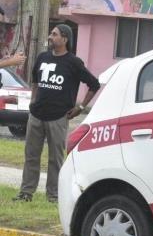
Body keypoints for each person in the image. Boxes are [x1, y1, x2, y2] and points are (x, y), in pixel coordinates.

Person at [14, 25, 100, 203]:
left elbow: (94, 84)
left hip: (58, 117)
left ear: (65, 39)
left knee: (56, 159)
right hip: (36, 115)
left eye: (54, 34)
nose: (50, 36)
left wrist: (81, 107)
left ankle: (53, 195)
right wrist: (32, 101)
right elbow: (36, 81)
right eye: (51, 33)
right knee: (31, 156)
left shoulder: (73, 62)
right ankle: (26, 193)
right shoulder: (42, 57)